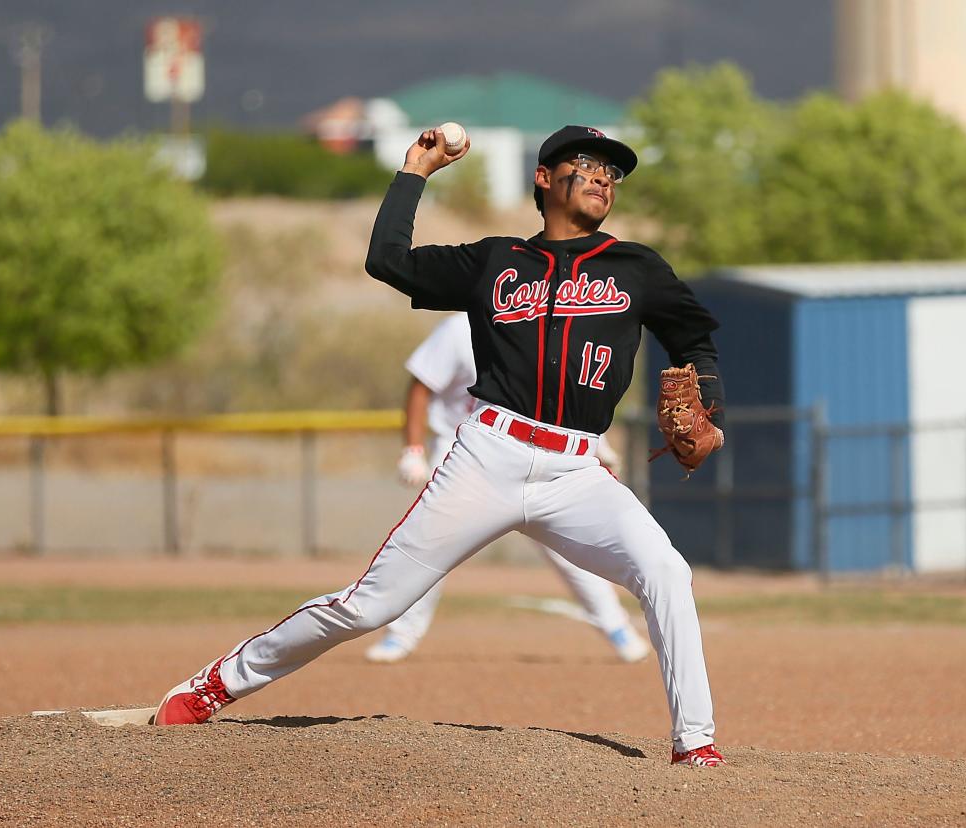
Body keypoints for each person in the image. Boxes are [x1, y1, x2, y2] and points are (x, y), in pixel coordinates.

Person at [154, 124, 728, 768]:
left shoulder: (636, 267)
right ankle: (218, 684)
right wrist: (414, 173)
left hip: (577, 470)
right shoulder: (495, 262)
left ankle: (695, 743)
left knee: (667, 573)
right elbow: (388, 262)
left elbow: (694, 339)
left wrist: (711, 403)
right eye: (588, 164)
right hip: (490, 457)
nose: (603, 179)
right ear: (544, 178)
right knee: (373, 606)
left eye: (613, 173)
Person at [366, 311, 649, 664]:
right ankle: (401, 634)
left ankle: (616, 627)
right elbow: (421, 386)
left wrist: (597, 443)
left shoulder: (545, 326)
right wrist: (413, 449)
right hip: (463, 449)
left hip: (532, 452)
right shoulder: (460, 328)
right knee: (432, 543)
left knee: (567, 548)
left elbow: (560, 397)